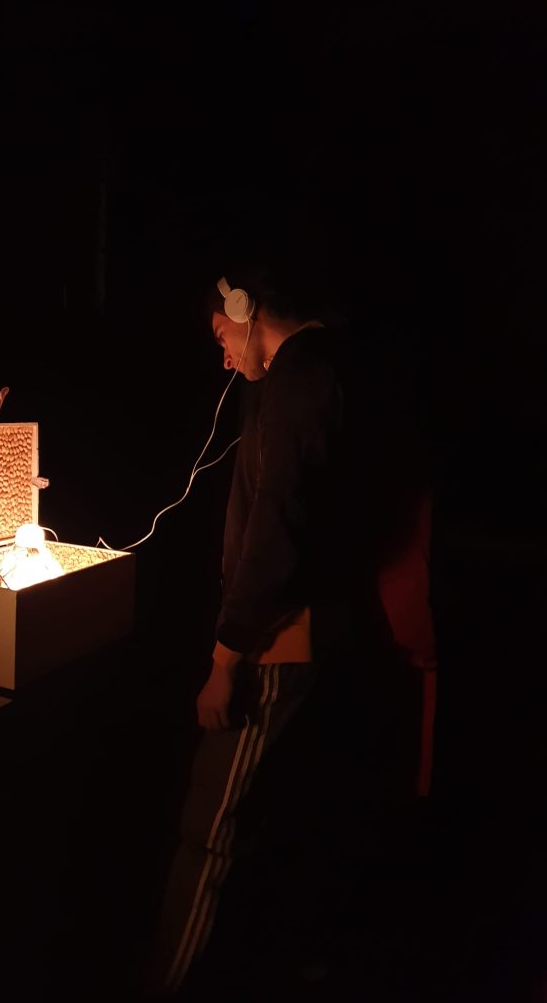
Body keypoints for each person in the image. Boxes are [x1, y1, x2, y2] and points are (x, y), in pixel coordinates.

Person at [142, 259, 401, 999]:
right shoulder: (318, 372)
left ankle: (163, 983)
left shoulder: (299, 384)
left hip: (279, 641)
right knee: (297, 814)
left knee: (209, 831)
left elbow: (276, 532)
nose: (221, 354)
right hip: (320, 630)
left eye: (222, 334)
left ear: (248, 309)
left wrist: (226, 658)